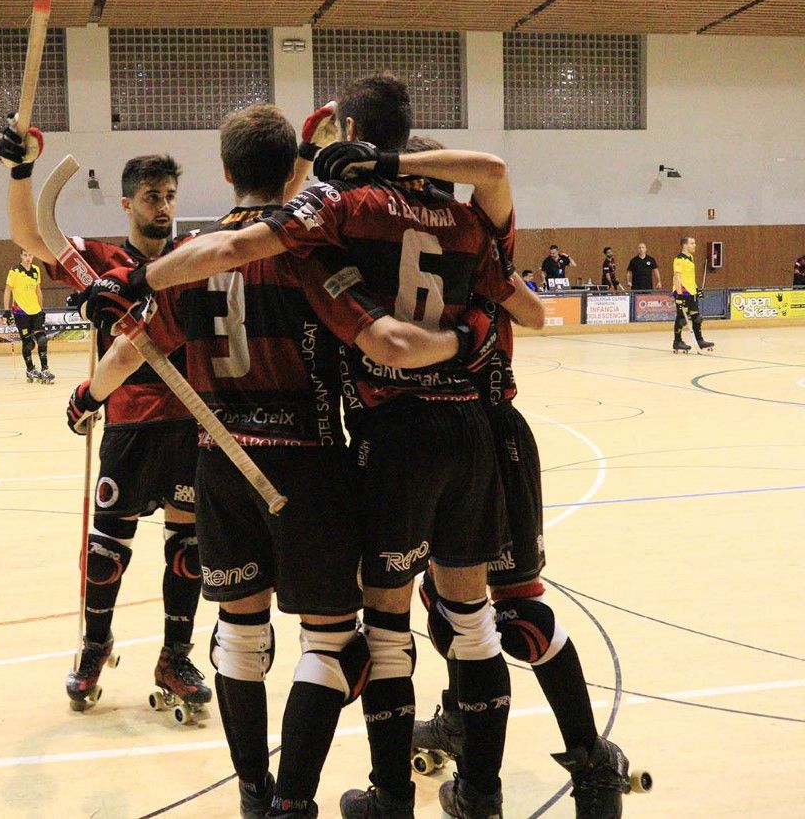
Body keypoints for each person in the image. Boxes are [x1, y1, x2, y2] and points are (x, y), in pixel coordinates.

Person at [80, 74, 541, 819]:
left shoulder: (193, 258)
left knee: (238, 636)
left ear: (225, 171)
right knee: (338, 642)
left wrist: (86, 393)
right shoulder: (317, 249)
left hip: (224, 461)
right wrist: (465, 337)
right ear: (299, 164)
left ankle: (255, 798)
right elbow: (390, 330)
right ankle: (301, 798)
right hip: (316, 456)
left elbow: (134, 348)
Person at [412, 227, 644, 819]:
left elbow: (536, 313)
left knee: (498, 608)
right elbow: (534, 312)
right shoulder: (466, 243)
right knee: (447, 597)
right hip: (471, 433)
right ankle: (475, 723)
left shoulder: (419, 243)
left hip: (471, 430)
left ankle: (589, 758)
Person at [0, 121, 211, 713]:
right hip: (130, 422)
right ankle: (95, 644)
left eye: (169, 195)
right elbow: (30, 229)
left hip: (190, 420)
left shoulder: (193, 257)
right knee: (106, 548)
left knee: (187, 547)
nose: (163, 206)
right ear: (127, 203)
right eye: (151, 196)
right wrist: (22, 171)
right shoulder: (99, 259)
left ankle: (175, 654)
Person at [2, 249, 52, 382]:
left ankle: (45, 369)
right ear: (21, 256)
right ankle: (30, 369)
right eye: (25, 255)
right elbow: (8, 291)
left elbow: (38, 290)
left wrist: (41, 309)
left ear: (33, 255)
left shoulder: (36, 270)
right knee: (28, 343)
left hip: (35, 311)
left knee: (42, 339)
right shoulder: (14, 271)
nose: (28, 258)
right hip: (20, 312)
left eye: (30, 255)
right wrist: (7, 311)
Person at [672, 236, 713, 353]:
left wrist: (696, 288)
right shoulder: (679, 259)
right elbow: (677, 277)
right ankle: (677, 341)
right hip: (683, 292)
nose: (695, 245)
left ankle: (700, 340)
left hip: (691, 291)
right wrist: (679, 295)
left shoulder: (690, 257)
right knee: (681, 319)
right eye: (692, 243)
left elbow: (689, 277)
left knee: (697, 318)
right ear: (685, 245)